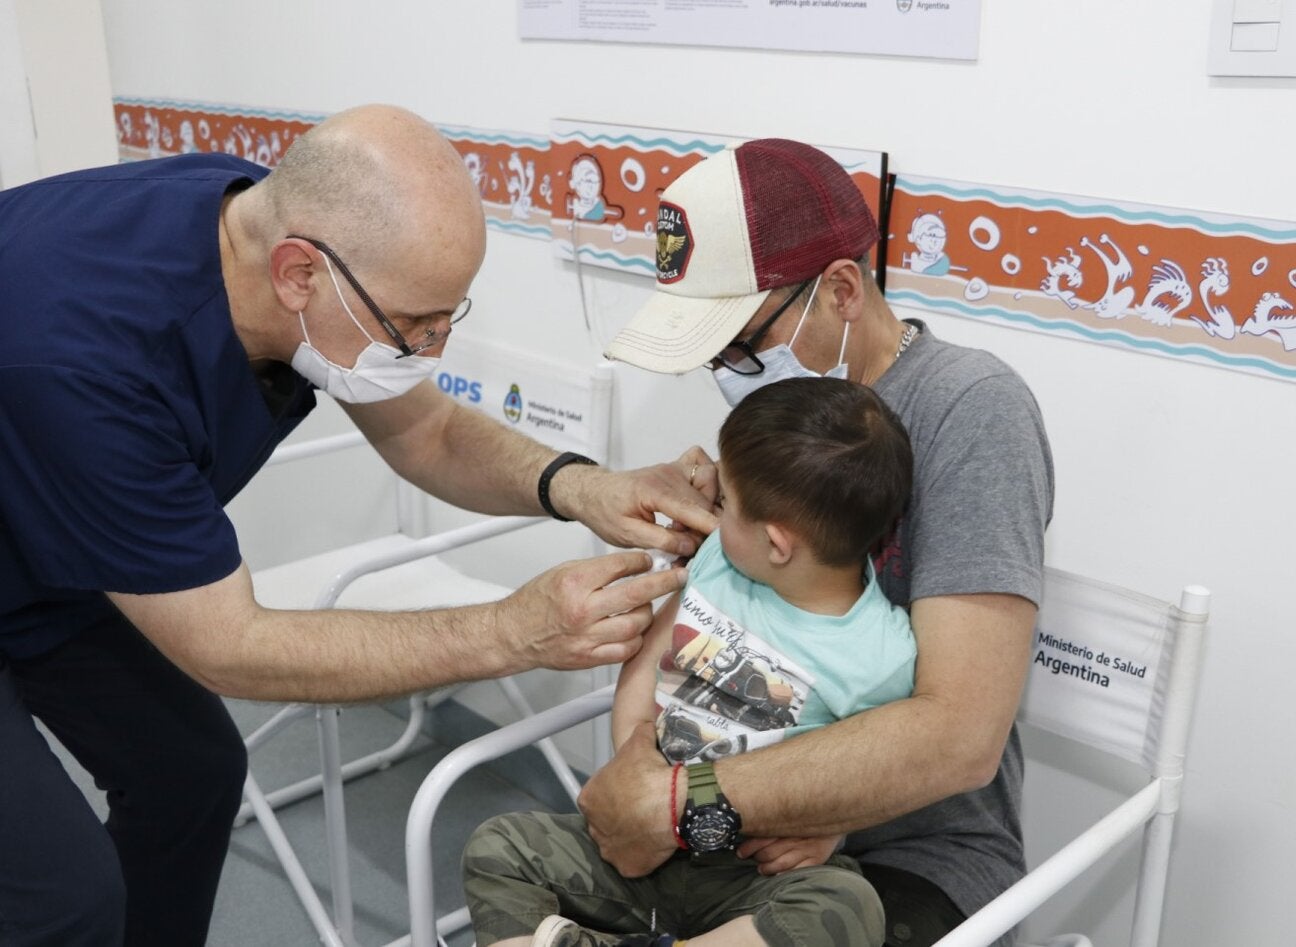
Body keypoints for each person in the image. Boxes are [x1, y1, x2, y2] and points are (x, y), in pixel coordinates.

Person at [0, 104, 717, 947]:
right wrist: (511, 632)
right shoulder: (87, 359)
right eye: (416, 324)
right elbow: (229, 644)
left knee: (191, 772)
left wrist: (582, 485)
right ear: (298, 275)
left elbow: (430, 431)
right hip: (40, 479)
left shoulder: (264, 221)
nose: (434, 348)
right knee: (63, 901)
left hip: (45, 532)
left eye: (452, 317)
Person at [589, 138, 1055, 946]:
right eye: (712, 357)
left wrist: (678, 803)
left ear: (840, 289)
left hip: (907, 849)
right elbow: (705, 655)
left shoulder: (972, 410)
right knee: (521, 874)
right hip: (735, 815)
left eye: (739, 346)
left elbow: (959, 737)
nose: (727, 375)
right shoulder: (792, 408)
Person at [464, 376, 918, 947]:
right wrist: (633, 759)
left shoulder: (880, 656)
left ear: (777, 544)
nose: (709, 510)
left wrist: (830, 832)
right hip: (641, 834)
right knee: (499, 846)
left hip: (748, 873)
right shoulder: (716, 568)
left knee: (844, 906)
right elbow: (648, 664)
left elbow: (869, 772)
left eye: (724, 503)